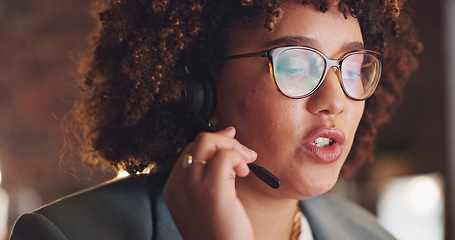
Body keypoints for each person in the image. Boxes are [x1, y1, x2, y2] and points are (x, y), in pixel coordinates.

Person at [10, 0, 422, 239]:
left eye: (351, 67)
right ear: (200, 87)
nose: (335, 101)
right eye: (296, 65)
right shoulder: (63, 235)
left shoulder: (372, 236)